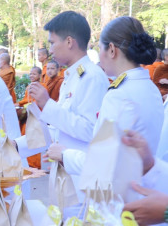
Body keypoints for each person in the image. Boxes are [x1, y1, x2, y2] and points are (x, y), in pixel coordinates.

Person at [46, 16, 164, 186]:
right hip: (141, 187)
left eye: (100, 48)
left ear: (111, 50)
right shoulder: (148, 87)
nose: (99, 56)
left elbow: (104, 162)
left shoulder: (119, 94)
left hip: (118, 194)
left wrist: (64, 155)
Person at [15, 11, 110, 213]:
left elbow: (89, 130)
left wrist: (47, 104)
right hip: (67, 177)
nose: (49, 50)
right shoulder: (72, 76)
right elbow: (60, 128)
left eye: (52, 43)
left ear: (69, 42)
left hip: (81, 180)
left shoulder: (91, 77)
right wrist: (16, 145)